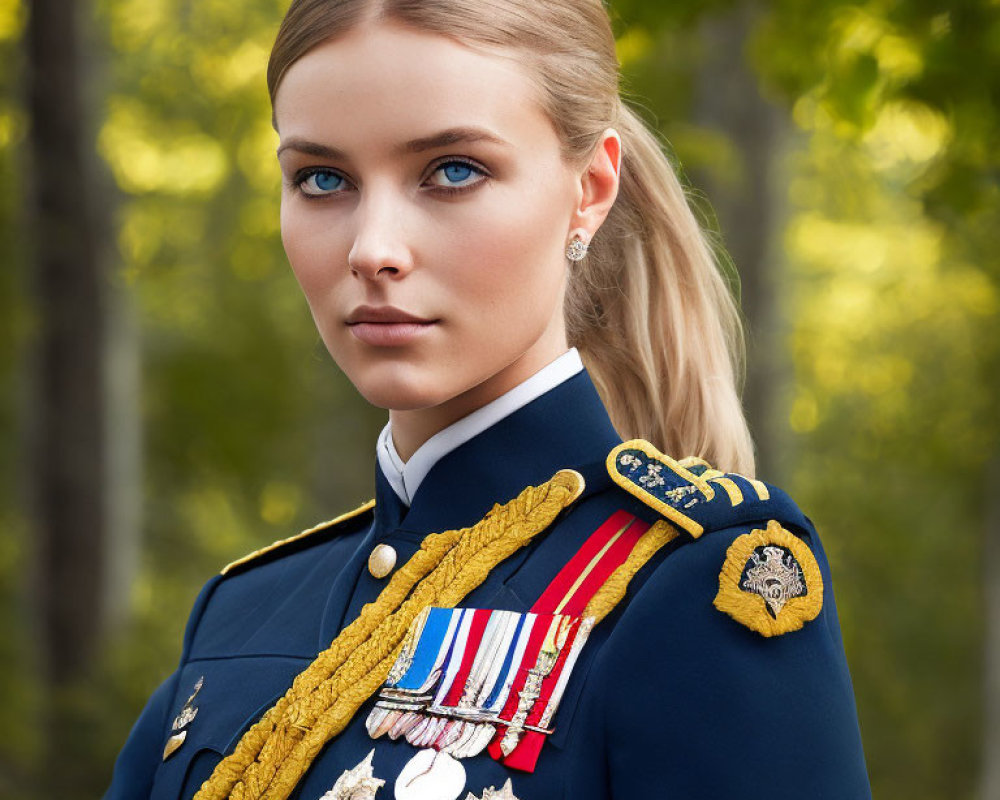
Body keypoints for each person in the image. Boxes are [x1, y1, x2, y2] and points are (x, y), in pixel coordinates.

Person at [105, 1, 871, 798]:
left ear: (590, 189)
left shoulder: (691, 584)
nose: (373, 249)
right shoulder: (242, 614)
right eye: (321, 179)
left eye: (453, 171)